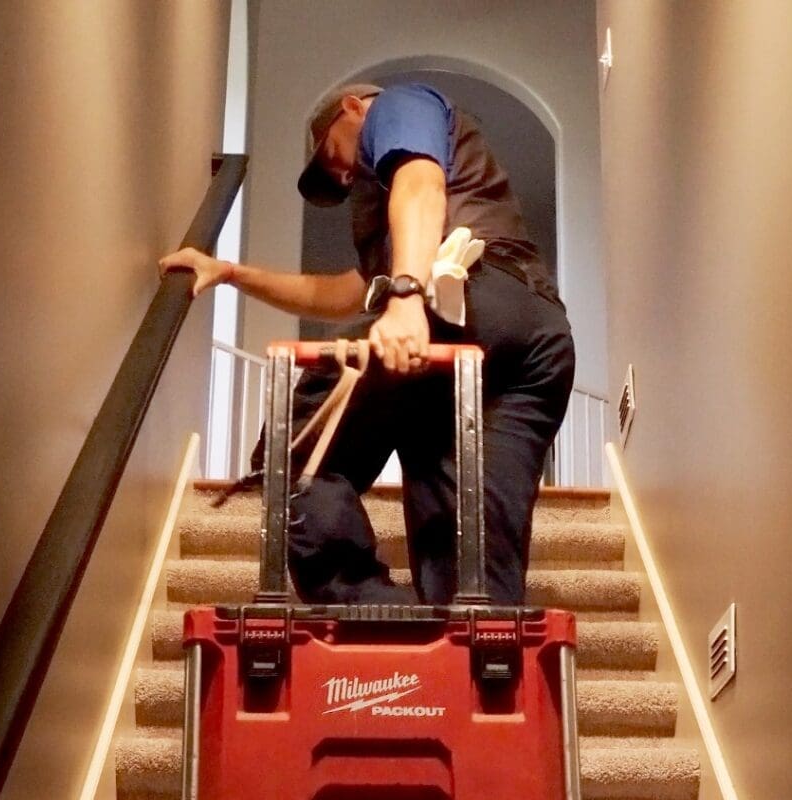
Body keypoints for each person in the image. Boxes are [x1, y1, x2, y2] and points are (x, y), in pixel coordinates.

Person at [160, 81, 575, 607]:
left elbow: (420, 186)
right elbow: (342, 294)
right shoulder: (400, 233)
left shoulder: (401, 106)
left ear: (352, 108)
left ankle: (369, 608)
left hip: (466, 299)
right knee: (469, 544)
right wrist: (230, 274)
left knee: (294, 454)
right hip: (536, 341)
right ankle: (470, 666)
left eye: (332, 155)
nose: (342, 174)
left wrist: (405, 299)